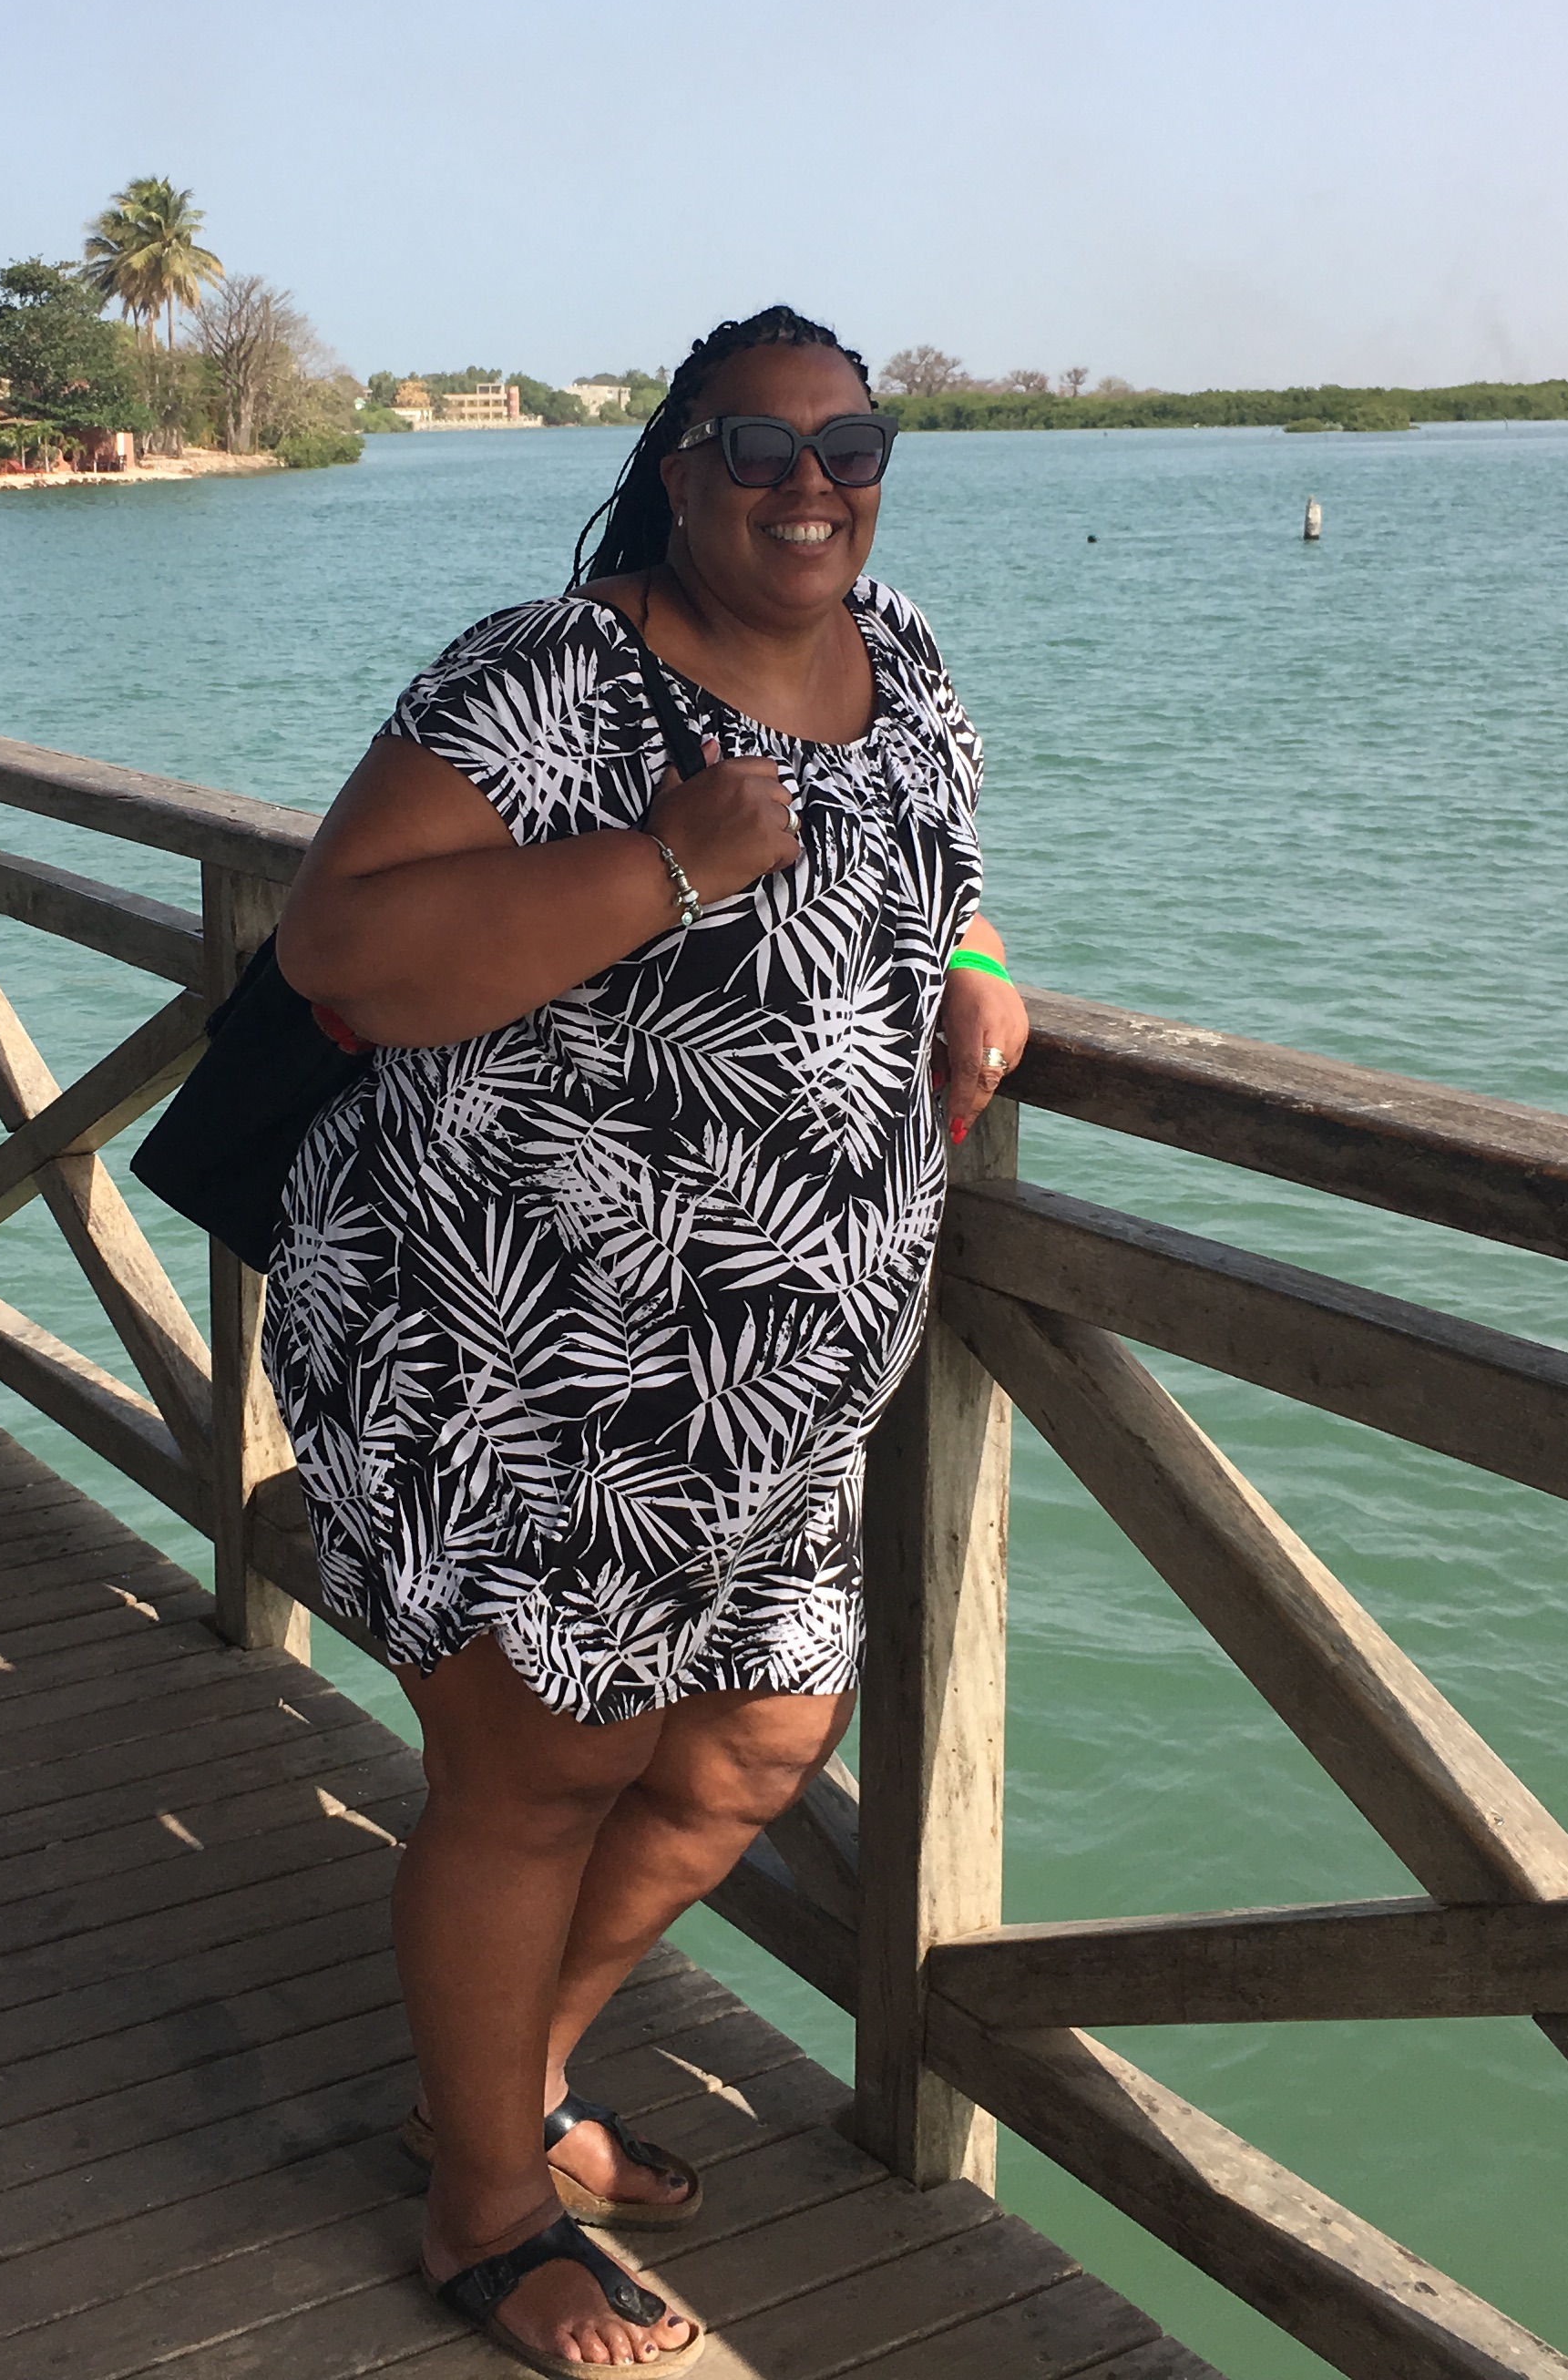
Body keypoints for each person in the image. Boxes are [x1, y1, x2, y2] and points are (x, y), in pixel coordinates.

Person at [268, 305, 1026, 2375]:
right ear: (673, 468)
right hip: (523, 1362)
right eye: (757, 449)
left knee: (759, 1747)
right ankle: (485, 2212)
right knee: (547, 1776)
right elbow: (337, 943)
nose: (812, 486)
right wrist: (668, 864)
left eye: (850, 444)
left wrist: (971, 958)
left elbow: (935, 865)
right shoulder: (554, 677)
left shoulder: (913, 660)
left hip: (780, 1396)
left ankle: (504, 2076)